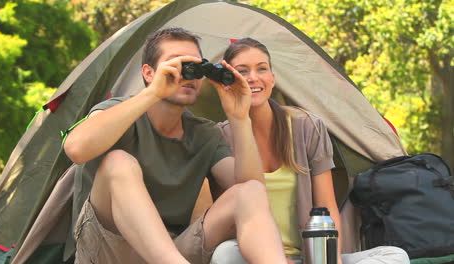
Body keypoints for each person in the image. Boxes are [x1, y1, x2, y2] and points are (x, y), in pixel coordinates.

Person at [64, 28, 290, 264]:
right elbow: (76, 149)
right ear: (149, 73)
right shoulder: (116, 111)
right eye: (177, 65)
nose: (187, 75)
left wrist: (240, 118)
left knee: (249, 191)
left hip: (173, 249)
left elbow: (251, 191)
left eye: (195, 67)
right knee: (117, 162)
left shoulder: (203, 133)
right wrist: (153, 92)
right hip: (108, 250)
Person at [211, 38, 410, 264]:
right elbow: (223, 217)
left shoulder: (306, 126)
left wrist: (331, 260)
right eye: (242, 71)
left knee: (395, 256)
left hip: (312, 257)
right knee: (225, 254)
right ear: (227, 80)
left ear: (273, 79)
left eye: (262, 69)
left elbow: (326, 205)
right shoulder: (220, 137)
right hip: (255, 258)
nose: (253, 78)